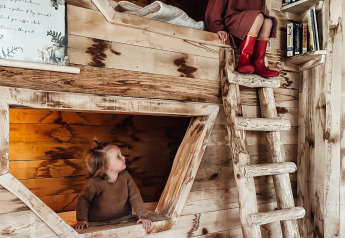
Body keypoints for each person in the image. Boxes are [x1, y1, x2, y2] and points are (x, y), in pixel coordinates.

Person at [74, 141, 152, 232]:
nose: (124, 157)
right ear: (105, 166)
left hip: (124, 216)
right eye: (118, 156)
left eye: (121, 154)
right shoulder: (94, 182)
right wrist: (81, 219)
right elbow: (83, 199)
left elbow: (135, 195)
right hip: (98, 221)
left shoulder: (125, 176)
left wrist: (143, 215)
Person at [205, 0, 279, 77]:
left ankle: (259, 63)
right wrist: (217, 27)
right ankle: (244, 60)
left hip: (249, 20)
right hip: (231, 19)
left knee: (268, 22)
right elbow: (215, 8)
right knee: (258, 17)